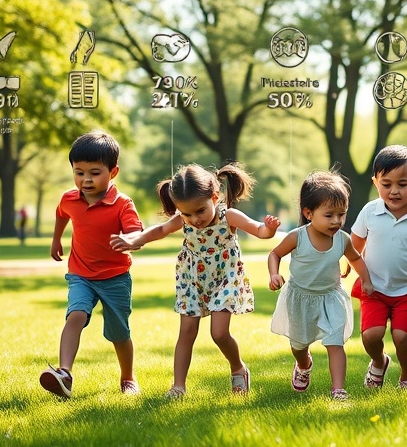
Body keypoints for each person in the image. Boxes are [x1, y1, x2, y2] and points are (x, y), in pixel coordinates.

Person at [109, 163, 280, 398]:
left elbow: (259, 231)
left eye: (200, 211)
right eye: (187, 213)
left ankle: (238, 367)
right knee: (187, 332)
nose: (194, 219)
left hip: (225, 278)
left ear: (215, 196)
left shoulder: (227, 215)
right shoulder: (183, 219)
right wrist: (134, 241)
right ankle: (178, 386)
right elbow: (160, 230)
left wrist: (269, 229)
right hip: (192, 279)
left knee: (219, 333)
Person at [42, 131, 143, 398]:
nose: (85, 179)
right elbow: (61, 214)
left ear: (113, 172)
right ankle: (64, 374)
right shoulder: (69, 198)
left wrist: (129, 240)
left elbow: (137, 232)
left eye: (94, 172)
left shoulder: (122, 204)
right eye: (79, 172)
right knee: (75, 315)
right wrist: (56, 240)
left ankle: (128, 378)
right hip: (81, 274)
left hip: (115, 277)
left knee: (119, 332)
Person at [268, 169, 372, 401]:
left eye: (341, 214)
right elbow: (275, 254)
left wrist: (365, 279)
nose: (337, 221)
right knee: (299, 345)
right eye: (329, 215)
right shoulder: (297, 237)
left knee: (335, 343)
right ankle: (303, 365)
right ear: (308, 213)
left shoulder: (342, 239)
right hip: (300, 297)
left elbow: (355, 258)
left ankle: (338, 389)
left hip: (330, 297)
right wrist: (274, 274)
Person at [351, 145, 407, 390]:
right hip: (373, 287)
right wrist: (352, 265)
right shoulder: (370, 211)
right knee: (371, 335)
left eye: (402, 184)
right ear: (375, 182)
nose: (394, 191)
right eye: (386, 184)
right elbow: (354, 245)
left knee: (402, 336)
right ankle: (379, 362)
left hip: (406, 290)